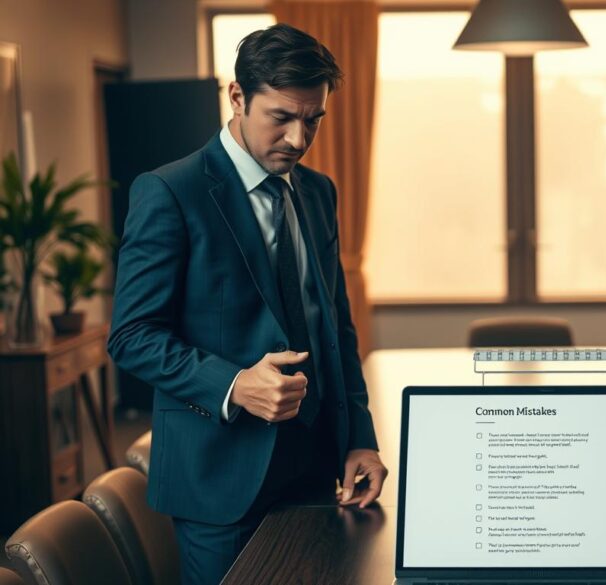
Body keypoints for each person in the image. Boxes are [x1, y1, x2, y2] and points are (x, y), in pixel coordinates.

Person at [107, 24, 387, 584]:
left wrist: (359, 437)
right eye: (280, 117)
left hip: (318, 468)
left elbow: (336, 326)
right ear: (237, 97)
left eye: (313, 120)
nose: (298, 138)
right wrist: (234, 385)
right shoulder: (170, 192)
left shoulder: (319, 192)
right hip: (220, 478)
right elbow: (131, 336)